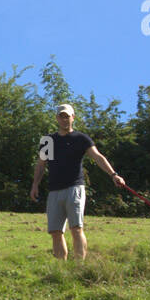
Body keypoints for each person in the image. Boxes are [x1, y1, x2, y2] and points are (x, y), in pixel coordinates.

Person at [29, 103, 126, 260]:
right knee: (55, 231)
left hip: (75, 188)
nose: (64, 119)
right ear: (56, 119)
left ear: (73, 117)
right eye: (61, 116)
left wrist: (113, 174)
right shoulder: (48, 141)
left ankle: (79, 266)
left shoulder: (81, 139)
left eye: (67, 116)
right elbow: (41, 165)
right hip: (54, 191)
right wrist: (35, 185)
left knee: (76, 228)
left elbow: (98, 157)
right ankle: (61, 268)